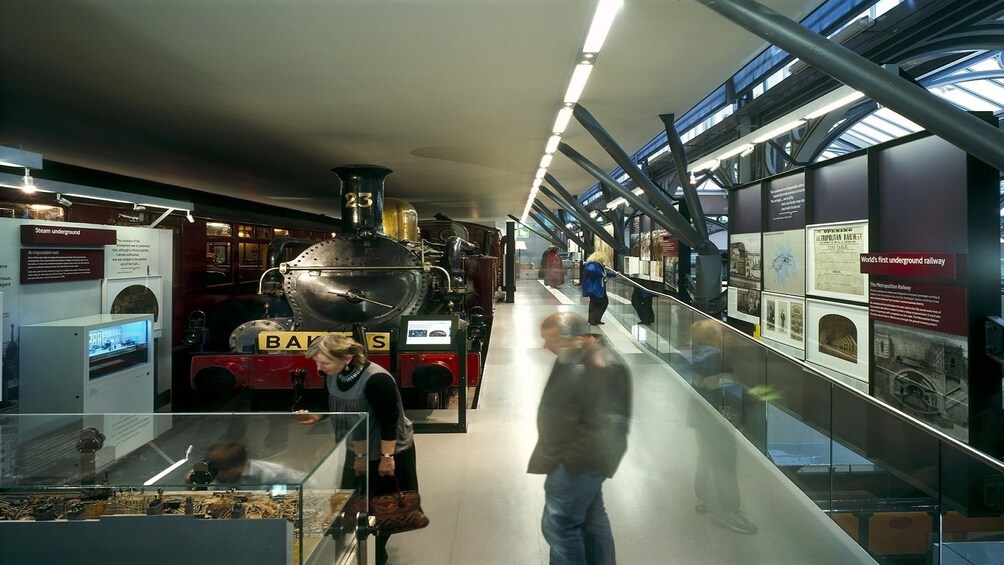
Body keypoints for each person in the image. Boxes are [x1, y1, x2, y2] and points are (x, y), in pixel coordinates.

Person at [296, 334, 418, 565]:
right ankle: (359, 550)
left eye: (324, 362)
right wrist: (317, 415)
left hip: (385, 448)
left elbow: (389, 420)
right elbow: (333, 402)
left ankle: (377, 554)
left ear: (348, 357)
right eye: (317, 362)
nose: (319, 368)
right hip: (355, 447)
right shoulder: (335, 374)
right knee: (352, 502)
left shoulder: (377, 379)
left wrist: (387, 458)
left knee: (382, 505)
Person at [529, 312, 632, 565]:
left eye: (550, 340)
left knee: (560, 526)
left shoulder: (602, 365)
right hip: (574, 460)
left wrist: (569, 463)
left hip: (579, 464)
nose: (545, 346)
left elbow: (606, 424)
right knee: (592, 520)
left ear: (572, 338)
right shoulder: (573, 356)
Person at [688, 319, 757, 535]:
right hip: (715, 420)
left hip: (701, 417)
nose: (730, 337)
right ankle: (727, 512)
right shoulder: (717, 359)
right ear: (714, 338)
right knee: (725, 462)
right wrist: (737, 418)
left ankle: (705, 498)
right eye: (724, 333)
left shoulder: (700, 352)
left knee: (706, 456)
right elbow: (726, 394)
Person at [202, 441, 304, 485]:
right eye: (215, 469)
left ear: (241, 464)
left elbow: (309, 483)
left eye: (224, 470)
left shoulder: (273, 473)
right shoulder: (215, 473)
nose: (218, 475)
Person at [582, 252, 616, 325]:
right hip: (595, 288)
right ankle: (593, 320)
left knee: (596, 303)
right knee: (600, 303)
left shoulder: (597, 265)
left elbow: (603, 274)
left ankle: (594, 320)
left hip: (599, 288)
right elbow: (592, 271)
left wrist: (614, 274)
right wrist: (595, 276)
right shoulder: (593, 265)